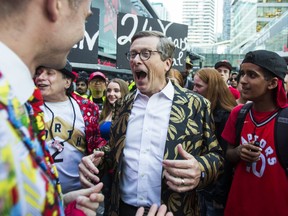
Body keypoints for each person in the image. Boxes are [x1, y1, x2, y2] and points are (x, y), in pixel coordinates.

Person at [79, 30, 224, 216]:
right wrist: (96, 160)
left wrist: (201, 169)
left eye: (146, 53)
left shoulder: (196, 105)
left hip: (173, 210)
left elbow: (216, 157)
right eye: (132, 54)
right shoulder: (123, 104)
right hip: (122, 209)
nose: (136, 60)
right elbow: (115, 150)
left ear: (167, 63)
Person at [0, 0, 104, 215]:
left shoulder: (20, 99)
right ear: (56, 4)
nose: (83, 33)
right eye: (85, 18)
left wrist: (60, 202)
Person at [222, 50, 288, 216]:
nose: (242, 80)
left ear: (272, 83)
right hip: (237, 208)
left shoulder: (285, 120)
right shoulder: (238, 113)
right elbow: (228, 153)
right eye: (242, 73)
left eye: (252, 75)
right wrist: (238, 152)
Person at [34, 61, 106, 194]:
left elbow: (96, 142)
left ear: (67, 82)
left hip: (79, 194)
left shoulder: (87, 107)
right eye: (38, 73)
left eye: (50, 73)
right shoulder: (26, 107)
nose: (41, 77)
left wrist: (99, 155)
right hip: (39, 197)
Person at [193, 68, 237, 215]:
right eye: (194, 85)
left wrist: (219, 194)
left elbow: (225, 158)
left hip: (215, 192)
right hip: (202, 186)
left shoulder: (226, 115)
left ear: (211, 87)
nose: (194, 90)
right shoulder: (201, 110)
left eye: (198, 86)